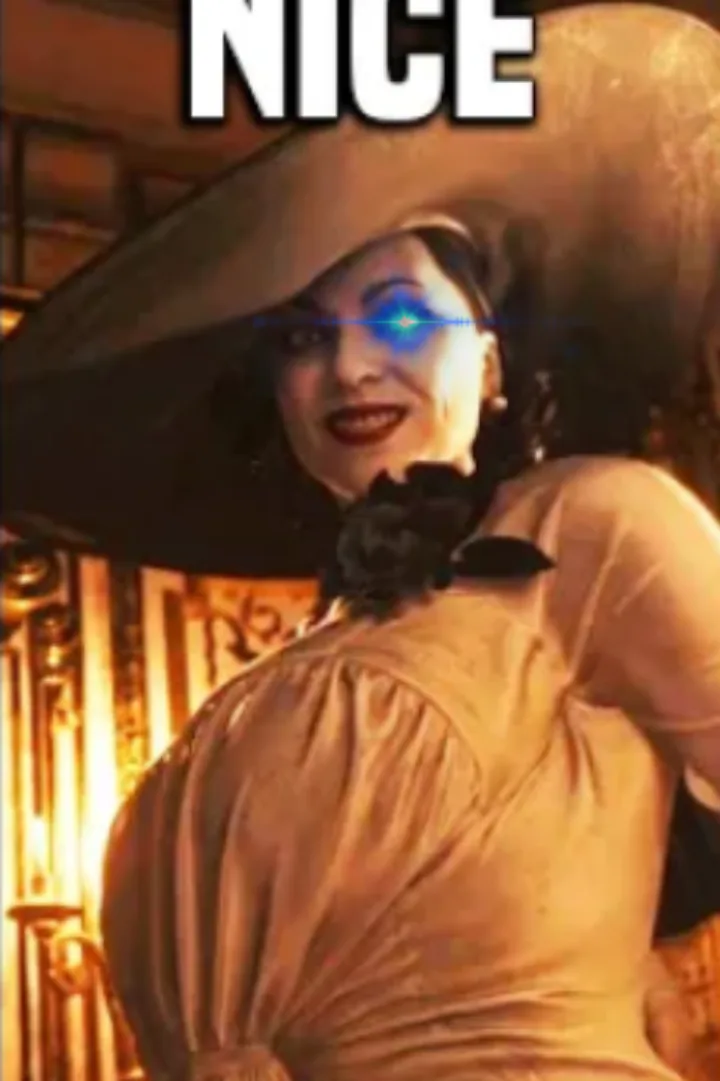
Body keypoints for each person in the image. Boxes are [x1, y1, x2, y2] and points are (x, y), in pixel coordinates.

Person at [1, 5, 719, 1081]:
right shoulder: (274, 686)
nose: (348, 368)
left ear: (489, 363)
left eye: (398, 318)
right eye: (301, 337)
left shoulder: (587, 527)